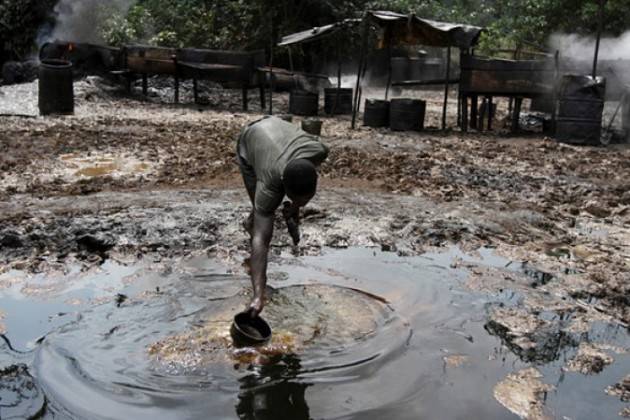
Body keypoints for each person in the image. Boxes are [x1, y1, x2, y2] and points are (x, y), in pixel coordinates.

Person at [237, 116, 329, 317]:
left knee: (274, 206)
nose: (304, 204)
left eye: (307, 200)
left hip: (277, 129)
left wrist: (295, 207)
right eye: (296, 200)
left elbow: (302, 180)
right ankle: (249, 223)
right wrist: (258, 297)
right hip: (250, 140)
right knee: (261, 219)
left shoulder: (319, 151)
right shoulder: (269, 186)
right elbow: (262, 240)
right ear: (284, 189)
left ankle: (289, 212)